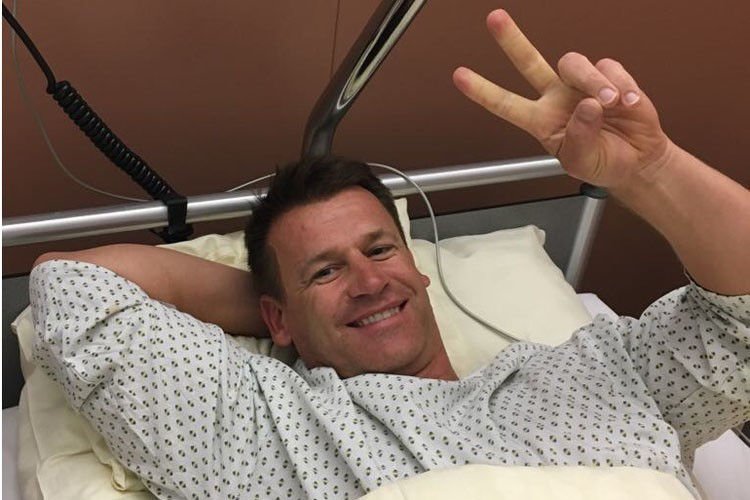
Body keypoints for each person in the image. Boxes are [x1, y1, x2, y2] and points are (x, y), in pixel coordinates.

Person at [30, 9, 748, 500]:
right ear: (274, 319)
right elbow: (73, 288)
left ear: (418, 268)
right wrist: (297, 312)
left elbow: (739, 325)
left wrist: (653, 172)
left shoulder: (602, 374)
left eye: (379, 250)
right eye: (326, 268)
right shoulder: (264, 431)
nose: (370, 280)